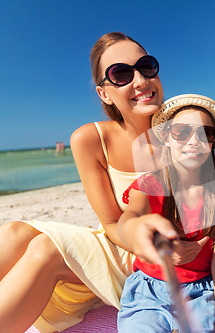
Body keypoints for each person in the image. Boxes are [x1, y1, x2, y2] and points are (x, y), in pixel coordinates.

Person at [0, 32, 185, 333]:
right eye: (122, 74)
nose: (139, 81)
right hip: (122, 239)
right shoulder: (90, 139)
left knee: (46, 249)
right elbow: (112, 224)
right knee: (14, 231)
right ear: (104, 94)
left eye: (146, 66)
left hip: (161, 256)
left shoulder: (187, 132)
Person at [116, 94, 215, 333]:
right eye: (182, 132)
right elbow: (130, 218)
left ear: (212, 143)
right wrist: (140, 230)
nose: (194, 141)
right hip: (148, 290)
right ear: (166, 137)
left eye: (206, 134)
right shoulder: (151, 184)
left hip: (201, 292)